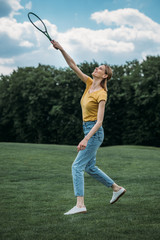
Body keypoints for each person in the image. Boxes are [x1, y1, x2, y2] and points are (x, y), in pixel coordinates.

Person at [51, 40, 126, 215]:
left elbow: (99, 121)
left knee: (76, 166)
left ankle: (80, 205)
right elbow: (72, 65)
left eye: (100, 69)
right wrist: (61, 48)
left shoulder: (102, 93)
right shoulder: (88, 84)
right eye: (97, 67)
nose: (96, 69)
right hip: (88, 129)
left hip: (94, 132)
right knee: (89, 167)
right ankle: (117, 188)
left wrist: (86, 139)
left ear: (105, 76)